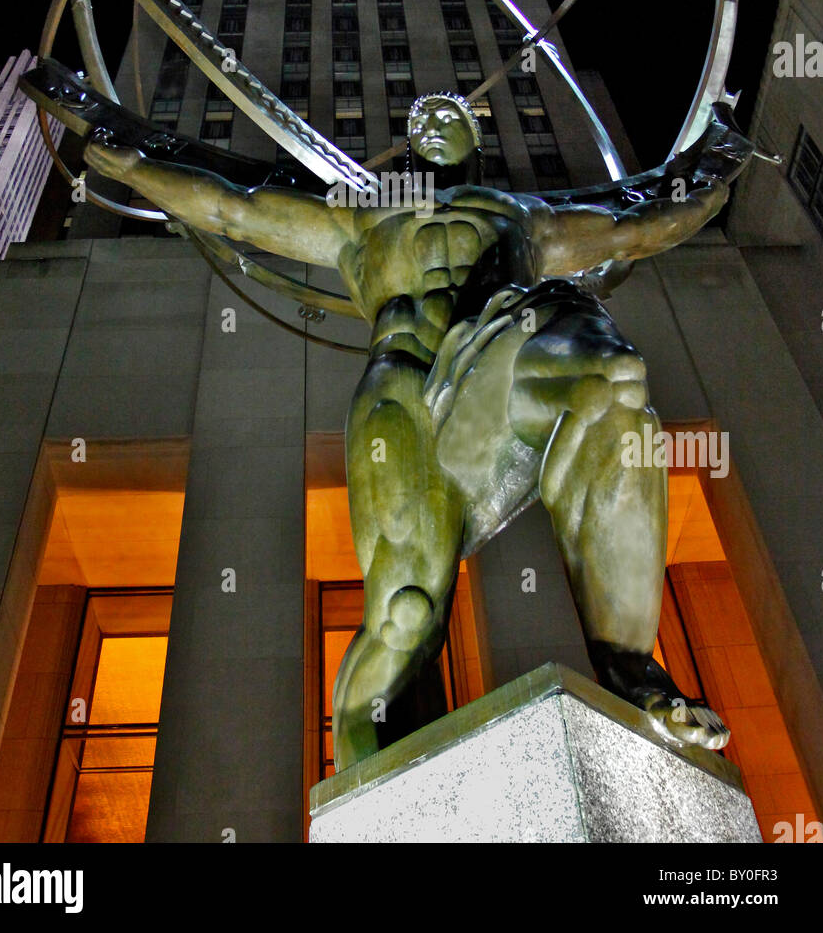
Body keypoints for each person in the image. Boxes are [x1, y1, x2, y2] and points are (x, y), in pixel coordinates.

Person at [83, 90, 745, 771]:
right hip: (402, 393)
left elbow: (643, 221)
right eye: (419, 116)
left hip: (491, 373)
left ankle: (635, 674)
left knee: (611, 376)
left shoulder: (525, 218)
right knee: (406, 611)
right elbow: (233, 205)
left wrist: (721, 161)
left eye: (450, 112)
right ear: (405, 142)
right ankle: (367, 775)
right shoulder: (363, 213)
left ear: (476, 139)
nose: (431, 119)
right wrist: (134, 165)